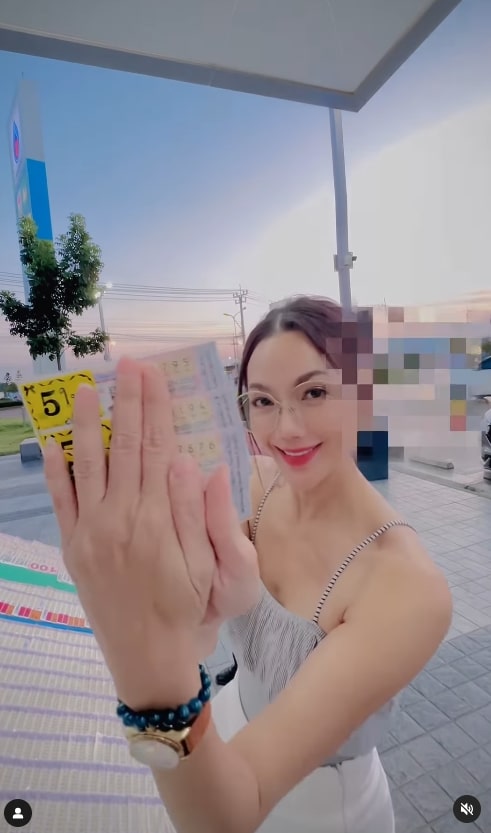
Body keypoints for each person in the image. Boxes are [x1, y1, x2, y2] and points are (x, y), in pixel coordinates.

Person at [43, 295, 452, 833]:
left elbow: (230, 812)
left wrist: (140, 658)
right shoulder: (257, 487)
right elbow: (194, 614)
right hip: (226, 719)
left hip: (323, 806)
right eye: (262, 401)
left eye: (314, 392)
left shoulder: (407, 587)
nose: (286, 429)